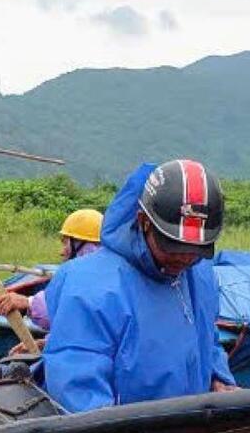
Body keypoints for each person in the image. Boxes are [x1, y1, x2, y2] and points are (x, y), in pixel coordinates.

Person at [40, 159, 238, 412]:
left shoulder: (199, 275)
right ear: (144, 222)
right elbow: (77, 382)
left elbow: (207, 341)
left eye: (197, 250)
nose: (184, 258)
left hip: (189, 431)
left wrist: (218, 378)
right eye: (173, 247)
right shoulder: (90, 286)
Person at [0, 207, 102, 332]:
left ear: (80, 244)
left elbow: (67, 312)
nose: (61, 252)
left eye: (65, 243)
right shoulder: (115, 272)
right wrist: (47, 341)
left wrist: (28, 302)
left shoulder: (86, 275)